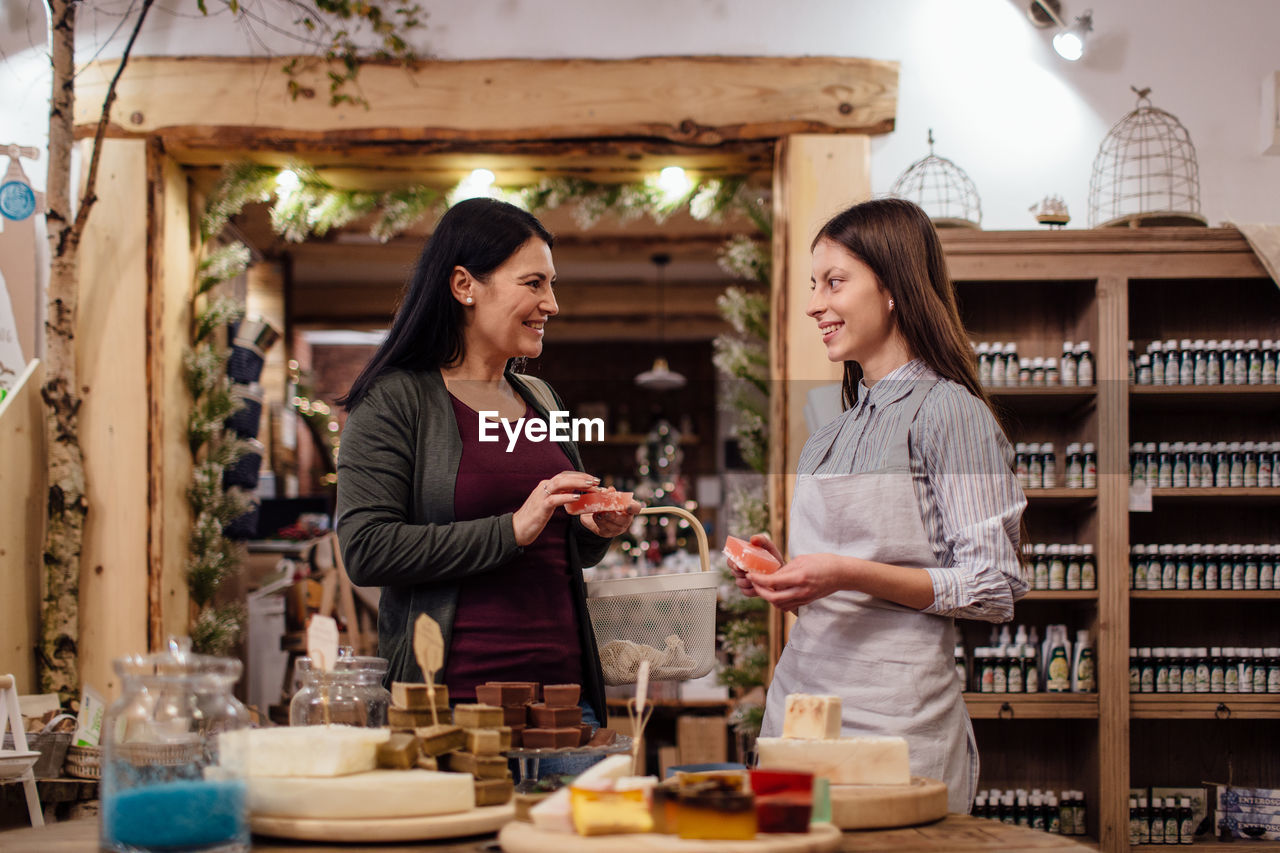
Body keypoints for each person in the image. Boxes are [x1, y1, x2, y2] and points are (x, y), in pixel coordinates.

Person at [728, 198, 1026, 813]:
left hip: (897, 723)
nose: (815, 303)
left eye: (834, 282)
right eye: (814, 285)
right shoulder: (828, 433)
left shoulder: (951, 414)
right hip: (800, 710)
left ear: (892, 288)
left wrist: (843, 572)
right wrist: (787, 572)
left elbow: (994, 585)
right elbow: (844, 569)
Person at [335, 197, 640, 732]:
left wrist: (592, 528)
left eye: (552, 284)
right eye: (533, 283)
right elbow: (366, 550)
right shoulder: (394, 400)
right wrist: (511, 530)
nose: (552, 303)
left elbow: (562, 549)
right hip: (453, 710)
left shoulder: (544, 399)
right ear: (464, 286)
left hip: (567, 705)